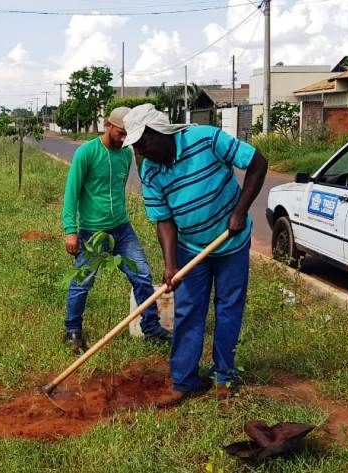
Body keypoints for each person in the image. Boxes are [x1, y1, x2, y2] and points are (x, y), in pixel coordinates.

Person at [122, 103, 267, 405]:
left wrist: (240, 212)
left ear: (159, 131)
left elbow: (258, 163)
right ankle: (184, 380)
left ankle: (223, 375)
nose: (141, 150)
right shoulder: (150, 171)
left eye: (142, 141)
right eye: (136, 145)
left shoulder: (206, 138)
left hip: (231, 242)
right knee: (188, 310)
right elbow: (164, 219)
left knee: (229, 307)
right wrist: (171, 264)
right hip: (190, 247)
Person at [61, 106, 172, 353]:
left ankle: (151, 327)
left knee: (142, 275)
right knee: (82, 282)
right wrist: (70, 230)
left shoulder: (125, 154)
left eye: (127, 135)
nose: (124, 139)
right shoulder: (86, 153)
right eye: (120, 133)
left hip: (122, 230)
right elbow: (71, 193)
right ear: (108, 125)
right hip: (92, 233)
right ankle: (72, 331)